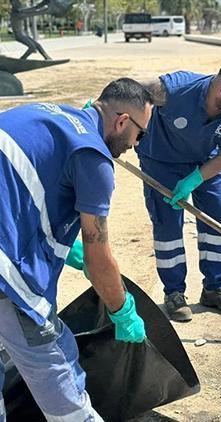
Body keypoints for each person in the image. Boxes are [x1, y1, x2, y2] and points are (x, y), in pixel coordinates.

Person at [0, 78, 151, 420]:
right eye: (140, 134)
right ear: (122, 121)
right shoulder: (93, 157)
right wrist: (120, 309)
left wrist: (68, 250)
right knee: (54, 361)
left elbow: (16, 192)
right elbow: (100, 260)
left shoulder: (45, 113)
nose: (137, 145)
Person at [136, 59, 221, 322]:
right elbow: (132, 90)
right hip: (161, 159)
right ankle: (174, 293)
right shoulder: (177, 89)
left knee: (216, 218)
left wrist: (194, 179)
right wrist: (103, 111)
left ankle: (214, 288)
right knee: (167, 225)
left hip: (207, 160)